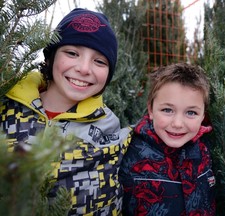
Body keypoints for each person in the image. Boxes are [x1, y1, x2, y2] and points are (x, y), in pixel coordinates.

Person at [0, 8, 131, 215]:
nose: (84, 68)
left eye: (99, 61)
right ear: (50, 58)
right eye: (72, 53)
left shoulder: (109, 128)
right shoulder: (6, 103)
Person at [119, 63, 216, 215]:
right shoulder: (128, 155)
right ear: (151, 110)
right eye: (167, 110)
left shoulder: (203, 151)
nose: (177, 124)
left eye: (191, 112)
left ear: (203, 116)